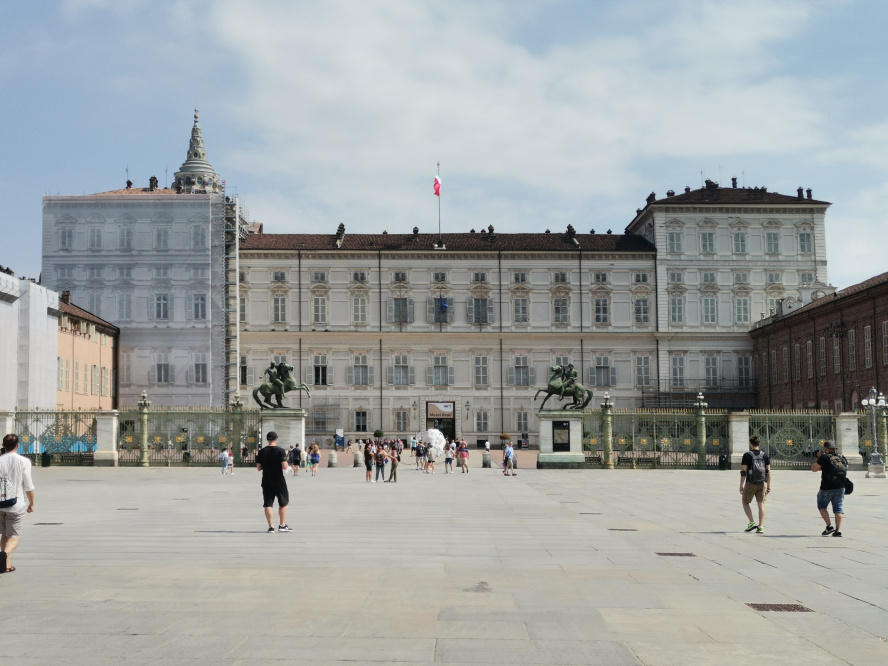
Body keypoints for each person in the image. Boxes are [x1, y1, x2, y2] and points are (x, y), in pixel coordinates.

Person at [0, 434, 36, 573]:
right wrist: (31, 503)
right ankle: (4, 555)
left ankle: (6, 565)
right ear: (17, 445)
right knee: (14, 537)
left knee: (5, 534)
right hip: (16, 505)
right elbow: (28, 486)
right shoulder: (23, 461)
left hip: (0, 504)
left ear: (3, 445)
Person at [255, 431, 291, 533]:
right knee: (283, 501)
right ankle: (282, 525)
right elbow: (285, 466)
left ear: (267, 439)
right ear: (276, 439)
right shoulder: (280, 451)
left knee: (268, 503)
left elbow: (258, 468)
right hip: (278, 479)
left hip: (266, 479)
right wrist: (289, 468)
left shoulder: (262, 452)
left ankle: (271, 527)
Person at [812, 440, 848, 537]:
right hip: (841, 486)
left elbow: (814, 469)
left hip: (826, 487)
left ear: (826, 449)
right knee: (838, 508)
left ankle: (829, 526)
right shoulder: (842, 457)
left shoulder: (824, 457)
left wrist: (818, 457)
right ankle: (838, 530)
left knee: (822, 506)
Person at [739, 436, 770, 533]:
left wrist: (741, 485)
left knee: (745, 502)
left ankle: (752, 522)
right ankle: (761, 526)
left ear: (750, 444)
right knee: (761, 504)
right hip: (762, 483)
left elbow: (744, 472)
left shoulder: (747, 455)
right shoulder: (765, 455)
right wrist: (768, 485)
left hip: (750, 482)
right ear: (759, 443)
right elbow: (768, 472)